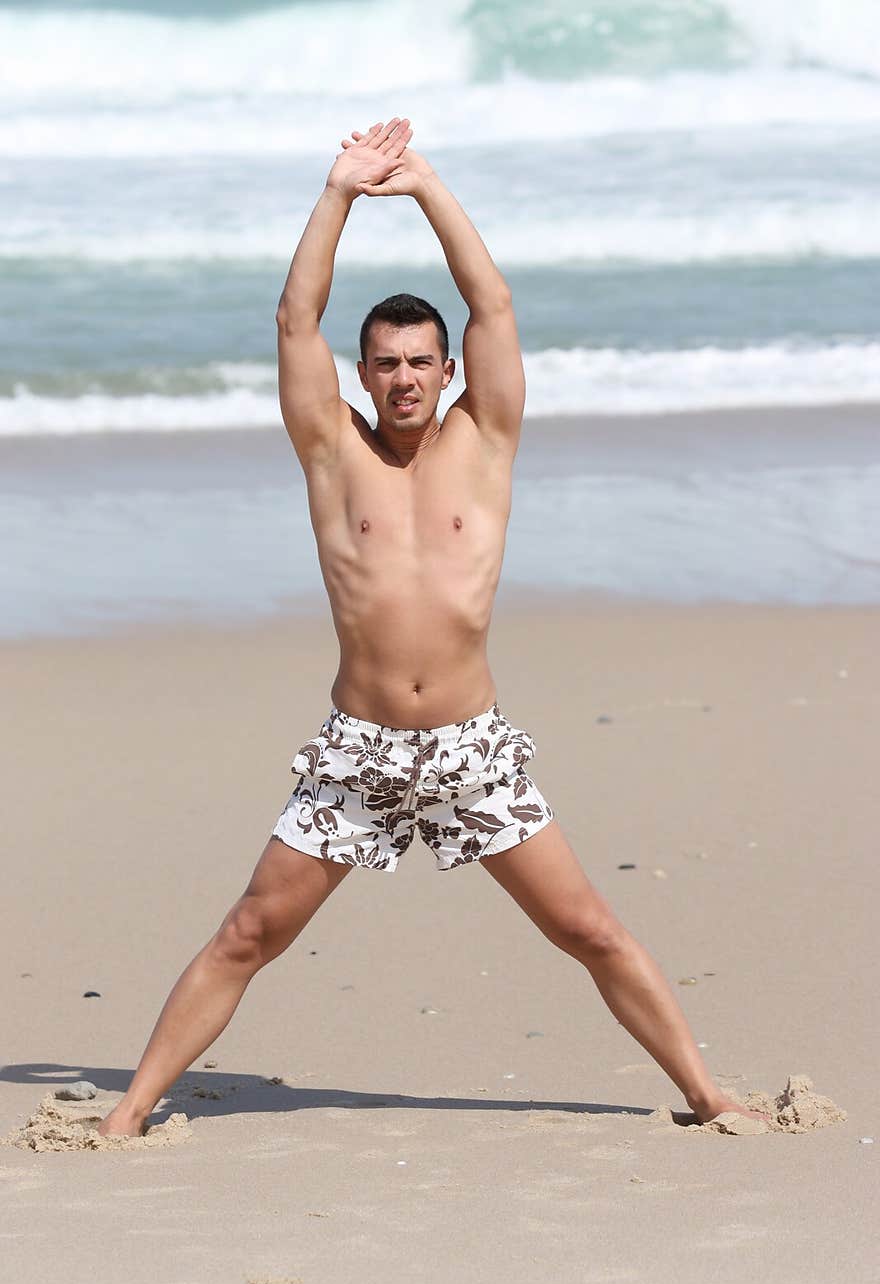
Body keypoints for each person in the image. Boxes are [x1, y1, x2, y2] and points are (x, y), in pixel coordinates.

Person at [99, 118, 768, 1137]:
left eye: (420, 361)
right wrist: (337, 195)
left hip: (469, 746)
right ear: (360, 374)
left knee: (586, 926)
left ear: (447, 370)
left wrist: (422, 186)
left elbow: (493, 303)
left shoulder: (486, 438)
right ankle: (126, 1113)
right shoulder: (331, 449)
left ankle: (706, 1092)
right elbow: (292, 319)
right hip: (359, 747)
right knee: (250, 931)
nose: (404, 377)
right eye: (384, 363)